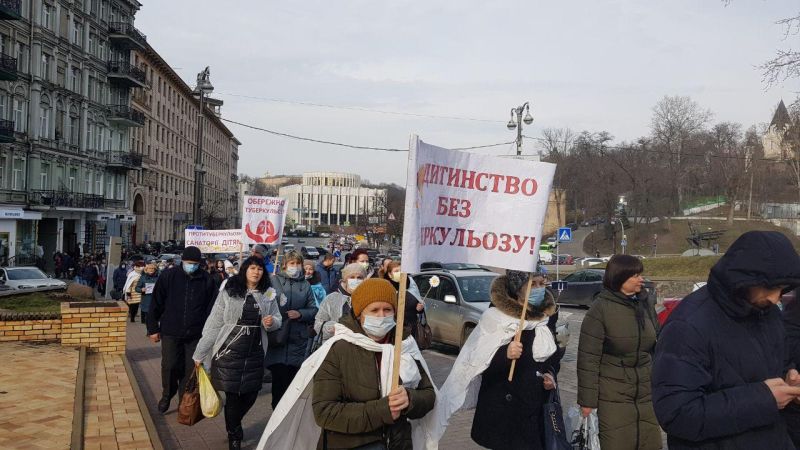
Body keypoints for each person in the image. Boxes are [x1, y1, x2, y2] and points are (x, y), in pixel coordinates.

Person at [652, 231, 800, 449]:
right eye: (770, 287)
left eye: (782, 289)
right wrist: (764, 399)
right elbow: (678, 415)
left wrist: (790, 378)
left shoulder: (769, 314)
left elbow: (780, 364)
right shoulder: (688, 325)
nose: (775, 298)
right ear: (745, 279)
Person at [421, 271, 562, 448]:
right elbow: (476, 360)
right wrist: (505, 354)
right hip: (502, 407)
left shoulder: (546, 317)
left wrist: (550, 374)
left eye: (542, 283)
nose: (540, 289)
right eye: (533, 284)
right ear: (517, 288)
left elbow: (553, 355)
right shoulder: (495, 317)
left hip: (533, 406)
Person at [312, 278, 436, 449]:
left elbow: (428, 394)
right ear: (359, 313)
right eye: (374, 310)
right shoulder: (338, 349)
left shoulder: (404, 345)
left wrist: (409, 399)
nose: (381, 316)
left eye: (387, 310)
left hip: (397, 443)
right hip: (351, 444)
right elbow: (324, 411)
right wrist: (382, 411)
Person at [193, 256, 282, 450]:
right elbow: (214, 322)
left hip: (255, 351)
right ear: (244, 270)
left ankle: (233, 421)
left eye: (259, 269)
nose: (256, 272)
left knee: (251, 394)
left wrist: (271, 322)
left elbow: (277, 318)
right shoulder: (230, 290)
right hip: (228, 350)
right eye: (252, 268)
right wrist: (200, 353)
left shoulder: (268, 293)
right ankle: (234, 433)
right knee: (233, 396)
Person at [577, 254, 661, 449]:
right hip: (613, 396)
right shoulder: (600, 309)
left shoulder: (645, 305)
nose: (641, 279)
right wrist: (587, 402)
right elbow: (588, 359)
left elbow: (656, 346)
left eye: (641, 274)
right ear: (619, 277)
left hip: (645, 395)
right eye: (635, 275)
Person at [146, 246, 218, 414]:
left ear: (199, 264)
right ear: (182, 261)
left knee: (189, 370)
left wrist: (208, 333)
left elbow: (212, 309)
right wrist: (152, 328)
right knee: (170, 366)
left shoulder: (206, 280)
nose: (191, 266)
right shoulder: (169, 276)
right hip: (171, 331)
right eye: (188, 263)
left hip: (195, 335)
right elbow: (156, 303)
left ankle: (183, 400)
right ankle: (167, 394)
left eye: (194, 263)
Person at [265, 251, 318, 409]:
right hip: (279, 338)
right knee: (279, 384)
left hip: (298, 341)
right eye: (291, 264)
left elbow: (314, 309)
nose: (295, 267)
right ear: (284, 265)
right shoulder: (274, 281)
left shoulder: (306, 285)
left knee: (293, 385)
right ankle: (276, 415)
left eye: (297, 264)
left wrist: (300, 314)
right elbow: (265, 303)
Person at [313, 263, 366, 342]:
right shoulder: (331, 299)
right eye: (352, 277)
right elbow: (318, 325)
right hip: (335, 347)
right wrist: (332, 327)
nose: (356, 280)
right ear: (345, 279)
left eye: (359, 277)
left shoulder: (368, 299)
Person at [380, 261, 423, 335]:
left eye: (401, 271)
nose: (399, 273)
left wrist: (420, 309)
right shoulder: (385, 287)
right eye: (396, 271)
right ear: (390, 275)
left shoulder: (411, 283)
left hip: (411, 328)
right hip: (392, 329)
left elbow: (418, 303)